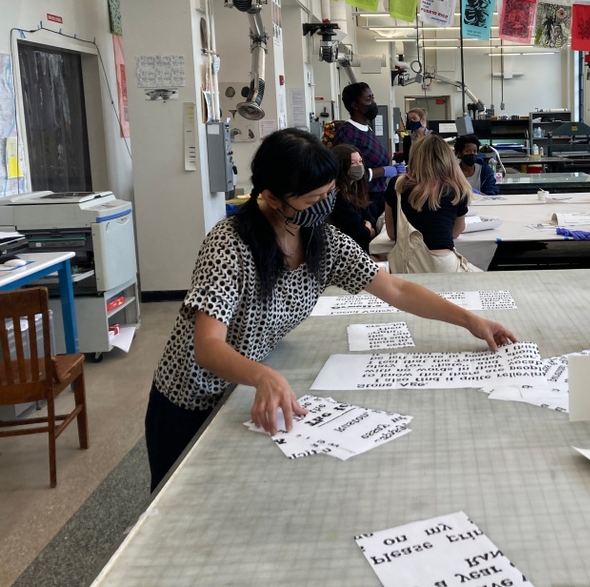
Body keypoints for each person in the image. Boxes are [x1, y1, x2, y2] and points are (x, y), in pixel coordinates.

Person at [145, 128, 515, 491]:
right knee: (176, 495)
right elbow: (207, 346)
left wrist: (470, 321)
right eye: (312, 200)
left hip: (251, 395)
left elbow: (397, 289)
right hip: (193, 398)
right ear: (272, 197)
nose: (324, 205)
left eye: (328, 194)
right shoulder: (229, 245)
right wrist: (261, 376)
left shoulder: (322, 241)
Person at [384, 134, 478, 273]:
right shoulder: (458, 188)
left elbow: (392, 234)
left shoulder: (397, 185)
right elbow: (455, 232)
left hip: (408, 267)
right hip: (445, 265)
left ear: (415, 157)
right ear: (449, 158)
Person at [333, 82, 403, 219]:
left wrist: (391, 167)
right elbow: (344, 174)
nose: (373, 103)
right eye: (368, 99)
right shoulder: (347, 132)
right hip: (362, 198)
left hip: (378, 195)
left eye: (373, 98)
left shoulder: (367, 128)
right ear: (355, 105)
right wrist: (383, 171)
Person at [328, 144, 377, 252]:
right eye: (353, 163)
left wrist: (367, 226)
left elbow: (371, 219)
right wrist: (368, 228)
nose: (358, 166)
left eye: (360, 161)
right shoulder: (338, 196)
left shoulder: (356, 188)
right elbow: (361, 234)